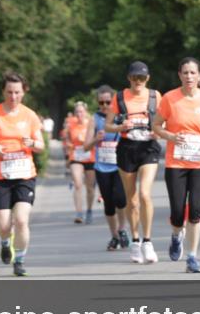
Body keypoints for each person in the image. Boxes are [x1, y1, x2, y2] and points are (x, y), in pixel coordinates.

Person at [152, 57, 200, 274]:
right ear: (179, 75)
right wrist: (170, 136)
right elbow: (156, 126)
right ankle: (176, 236)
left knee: (195, 209)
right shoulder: (169, 99)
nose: (189, 77)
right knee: (177, 212)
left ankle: (192, 257)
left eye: (193, 73)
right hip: (177, 162)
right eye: (185, 73)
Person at [0, 71, 45, 277]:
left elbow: (41, 146)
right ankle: (5, 243)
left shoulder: (30, 115)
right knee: (4, 224)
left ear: (24, 92)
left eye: (17, 92)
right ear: (3, 91)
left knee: (22, 220)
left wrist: (32, 144)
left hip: (24, 175)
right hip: (0, 176)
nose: (13, 97)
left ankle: (20, 260)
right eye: (9, 92)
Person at [107, 61, 162, 265]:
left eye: (141, 77)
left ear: (147, 78)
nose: (137, 81)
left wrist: (158, 130)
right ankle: (135, 241)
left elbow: (164, 122)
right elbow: (108, 126)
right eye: (134, 77)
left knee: (145, 194)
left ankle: (147, 241)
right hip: (127, 148)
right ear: (128, 78)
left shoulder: (156, 96)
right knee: (132, 200)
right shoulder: (119, 97)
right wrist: (122, 125)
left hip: (148, 148)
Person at [83, 86, 129, 251]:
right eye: (101, 102)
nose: (104, 105)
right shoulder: (94, 119)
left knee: (121, 199)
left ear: (113, 101)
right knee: (109, 204)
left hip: (119, 165)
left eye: (108, 102)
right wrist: (96, 139)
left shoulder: (121, 117)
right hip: (102, 167)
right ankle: (114, 236)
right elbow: (86, 147)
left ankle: (122, 229)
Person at [66, 101, 97, 224]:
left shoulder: (91, 122)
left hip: (90, 157)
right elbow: (68, 140)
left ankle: (89, 210)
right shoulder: (71, 123)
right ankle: (79, 213)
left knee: (90, 187)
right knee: (78, 184)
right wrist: (70, 146)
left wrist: (86, 141)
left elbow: (96, 139)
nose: (79, 114)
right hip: (76, 157)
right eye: (77, 112)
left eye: (81, 111)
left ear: (86, 112)